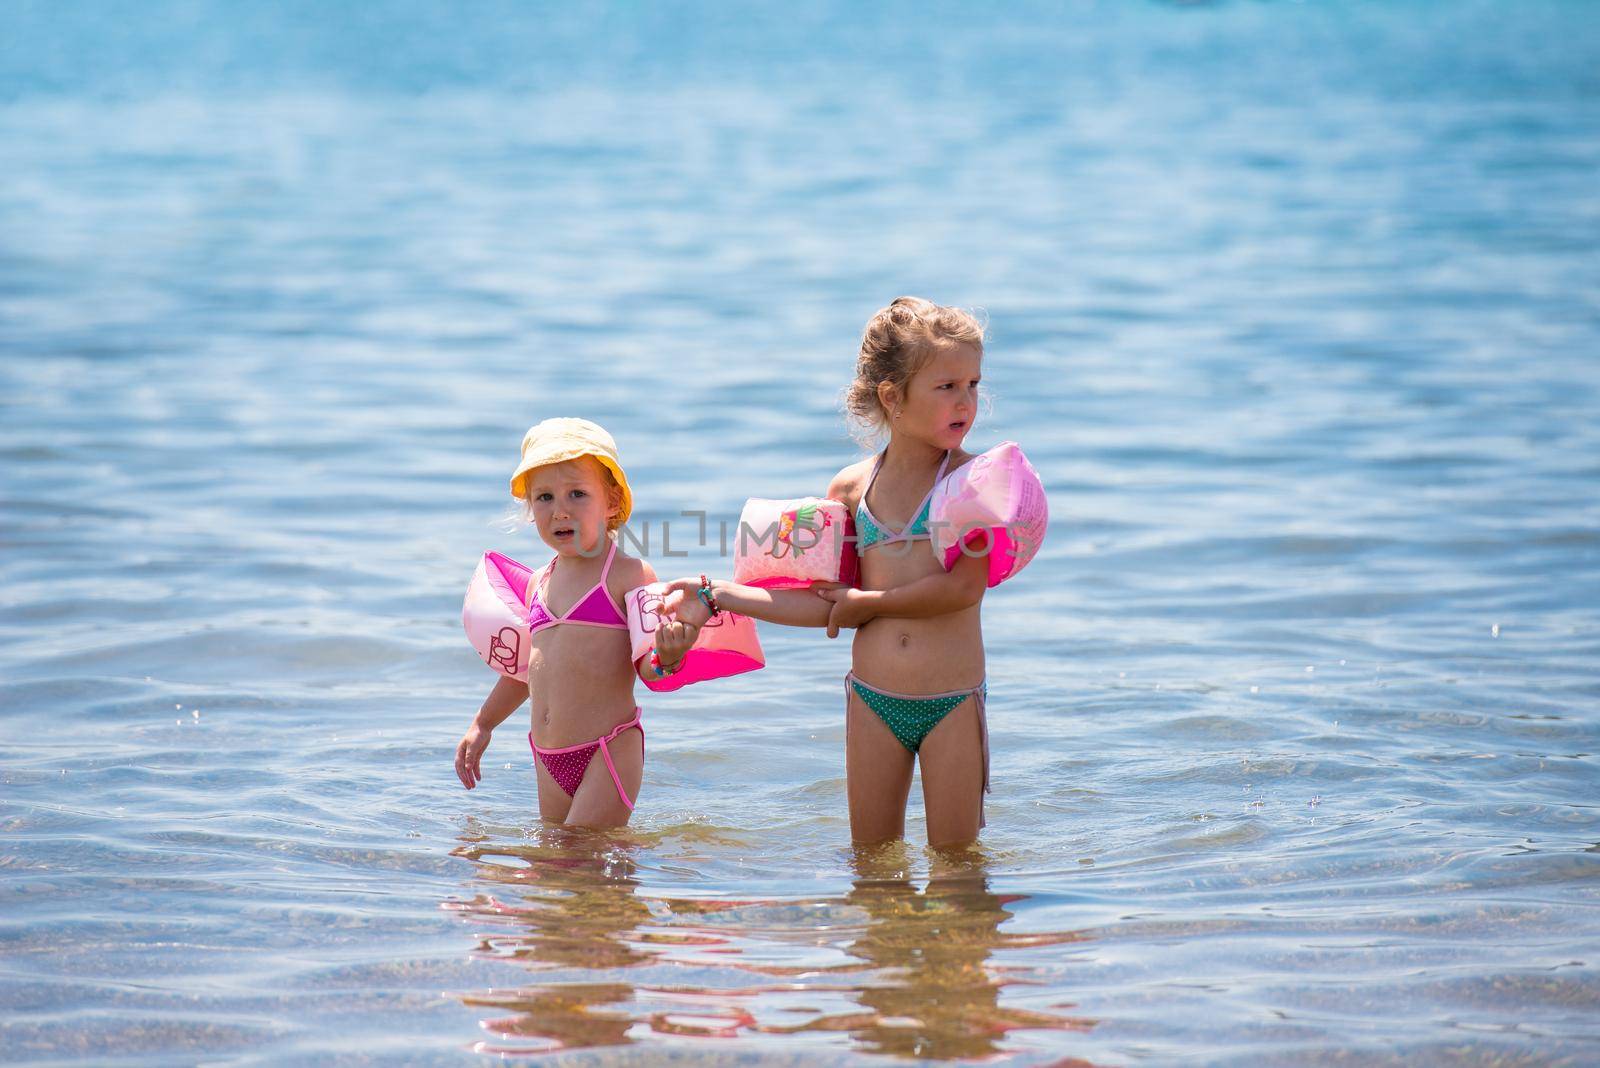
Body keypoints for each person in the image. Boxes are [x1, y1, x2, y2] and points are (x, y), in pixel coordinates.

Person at [667, 297, 996, 847]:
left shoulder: (972, 484)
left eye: (973, 384)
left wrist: (870, 604)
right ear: (892, 398)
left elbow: (962, 589)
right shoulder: (851, 490)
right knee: (871, 865)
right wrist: (720, 594)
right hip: (873, 699)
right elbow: (828, 602)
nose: (966, 401)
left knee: (956, 870)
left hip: (952, 701)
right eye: (946, 387)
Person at [454, 418, 699, 828]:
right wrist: (483, 724)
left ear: (613, 503)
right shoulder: (539, 582)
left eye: (577, 494)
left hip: (608, 749)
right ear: (531, 509)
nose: (560, 509)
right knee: (559, 869)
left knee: (582, 854)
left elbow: (648, 666)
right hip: (548, 757)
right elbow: (524, 672)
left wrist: (669, 654)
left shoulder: (629, 575)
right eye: (545, 497)